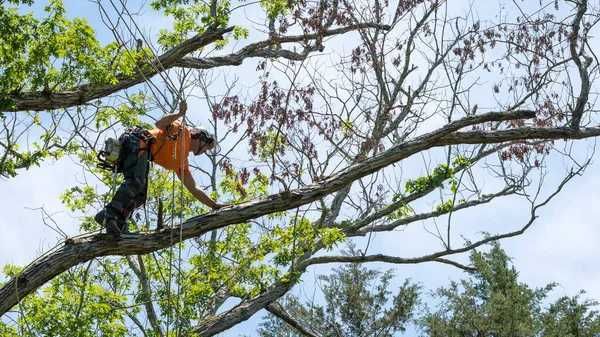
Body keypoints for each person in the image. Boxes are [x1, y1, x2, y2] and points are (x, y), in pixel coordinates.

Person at [95, 101, 225, 236]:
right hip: (137, 142)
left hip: (142, 153)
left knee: (140, 196)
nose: (204, 151)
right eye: (207, 147)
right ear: (201, 137)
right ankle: (108, 214)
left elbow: (194, 189)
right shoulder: (182, 130)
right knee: (136, 182)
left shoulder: (182, 163)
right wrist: (179, 114)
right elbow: (159, 124)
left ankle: (118, 224)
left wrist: (213, 205)